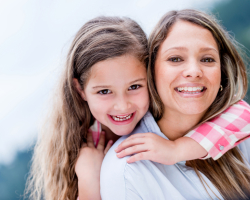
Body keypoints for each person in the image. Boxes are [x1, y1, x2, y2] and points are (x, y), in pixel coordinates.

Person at [25, 15, 250, 200]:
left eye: (134, 86)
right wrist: (89, 183)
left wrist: (177, 150)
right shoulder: (89, 144)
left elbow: (242, 115)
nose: (122, 105)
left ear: (150, 74)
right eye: (104, 91)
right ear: (80, 90)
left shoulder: (175, 107)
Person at [100, 9, 250, 200]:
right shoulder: (128, 169)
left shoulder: (240, 135)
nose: (194, 71)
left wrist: (177, 150)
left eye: (207, 59)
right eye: (175, 59)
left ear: (222, 72)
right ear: (151, 72)